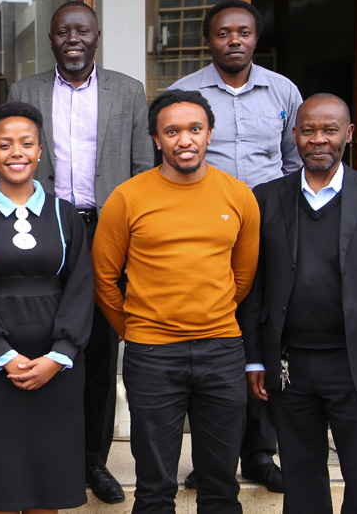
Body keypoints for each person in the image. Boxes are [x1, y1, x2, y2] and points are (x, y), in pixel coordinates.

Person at [8, 0, 153, 505]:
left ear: (97, 37)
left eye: (83, 30)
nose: (73, 38)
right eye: (63, 31)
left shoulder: (129, 92)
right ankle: (47, 455)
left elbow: (142, 170)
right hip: (43, 227)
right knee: (44, 338)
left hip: (106, 228)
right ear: (50, 40)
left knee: (97, 348)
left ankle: (93, 461)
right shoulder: (24, 91)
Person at [240, 93, 357, 513]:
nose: (318, 139)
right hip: (291, 367)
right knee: (300, 484)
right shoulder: (266, 197)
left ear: (348, 134)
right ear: (295, 136)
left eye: (330, 130)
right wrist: (255, 360)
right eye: (308, 130)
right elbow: (255, 286)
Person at [91, 89, 260, 514]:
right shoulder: (127, 198)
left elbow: (242, 277)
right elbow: (105, 278)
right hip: (152, 356)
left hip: (221, 350)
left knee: (221, 484)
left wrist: (212, 315)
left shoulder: (238, 196)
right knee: (154, 486)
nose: (184, 140)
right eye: (172, 131)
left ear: (209, 134)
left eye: (194, 129)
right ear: (157, 139)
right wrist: (135, 330)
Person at [168, 0, 301, 491]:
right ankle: (212, 458)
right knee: (216, 339)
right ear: (210, 40)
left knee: (264, 333)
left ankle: (260, 453)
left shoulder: (283, 91)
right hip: (205, 229)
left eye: (243, 32)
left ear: (255, 37)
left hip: (268, 227)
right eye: (224, 33)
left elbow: (294, 159)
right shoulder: (184, 92)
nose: (234, 40)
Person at [0, 101, 92, 513]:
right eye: (5, 145)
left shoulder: (65, 215)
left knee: (49, 489)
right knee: (0, 491)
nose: (17, 153)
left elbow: (81, 287)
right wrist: (2, 355)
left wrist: (59, 356)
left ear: (41, 150)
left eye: (27, 143)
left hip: (56, 372)